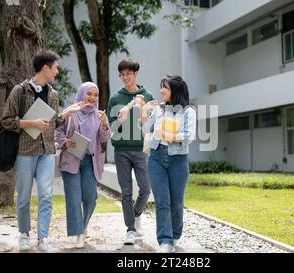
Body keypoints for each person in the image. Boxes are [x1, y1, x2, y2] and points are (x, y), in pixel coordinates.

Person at [1, 50, 85, 252]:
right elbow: (6, 121)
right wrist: (30, 122)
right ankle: (24, 234)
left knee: (46, 196)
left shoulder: (53, 94)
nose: (57, 71)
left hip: (47, 151)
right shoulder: (19, 91)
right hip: (24, 152)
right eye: (55, 67)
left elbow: (53, 122)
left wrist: (66, 114)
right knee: (23, 197)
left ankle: (43, 238)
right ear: (46, 67)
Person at [140, 75, 197, 253]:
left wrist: (168, 135)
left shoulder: (188, 111)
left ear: (175, 91)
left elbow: (189, 136)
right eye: (161, 87)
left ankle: (174, 235)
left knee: (176, 201)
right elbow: (144, 129)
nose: (161, 91)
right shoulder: (159, 110)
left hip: (178, 160)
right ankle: (165, 240)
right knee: (162, 200)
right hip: (156, 157)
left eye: (165, 87)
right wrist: (145, 111)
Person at [55, 82, 110, 248]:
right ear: (81, 94)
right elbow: (57, 132)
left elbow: (104, 138)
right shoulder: (71, 112)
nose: (92, 98)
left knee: (91, 198)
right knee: (73, 198)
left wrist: (105, 124)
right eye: (89, 94)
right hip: (71, 159)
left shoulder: (98, 115)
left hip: (89, 161)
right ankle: (79, 233)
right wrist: (65, 142)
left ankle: (84, 226)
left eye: (95, 95)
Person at [107, 58, 155, 245]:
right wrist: (122, 117)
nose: (125, 77)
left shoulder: (148, 95)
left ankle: (136, 215)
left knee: (146, 188)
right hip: (122, 150)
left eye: (128, 73)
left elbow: (151, 124)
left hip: (142, 149)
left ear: (135, 74)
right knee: (126, 192)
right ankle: (130, 230)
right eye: (122, 74)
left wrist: (144, 108)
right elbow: (111, 126)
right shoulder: (116, 98)